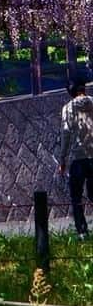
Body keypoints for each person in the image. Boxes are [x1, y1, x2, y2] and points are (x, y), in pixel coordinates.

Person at [58, 78, 93, 238]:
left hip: (78, 158)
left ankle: (82, 232)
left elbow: (65, 135)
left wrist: (62, 159)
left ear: (70, 91)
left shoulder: (68, 108)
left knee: (76, 197)